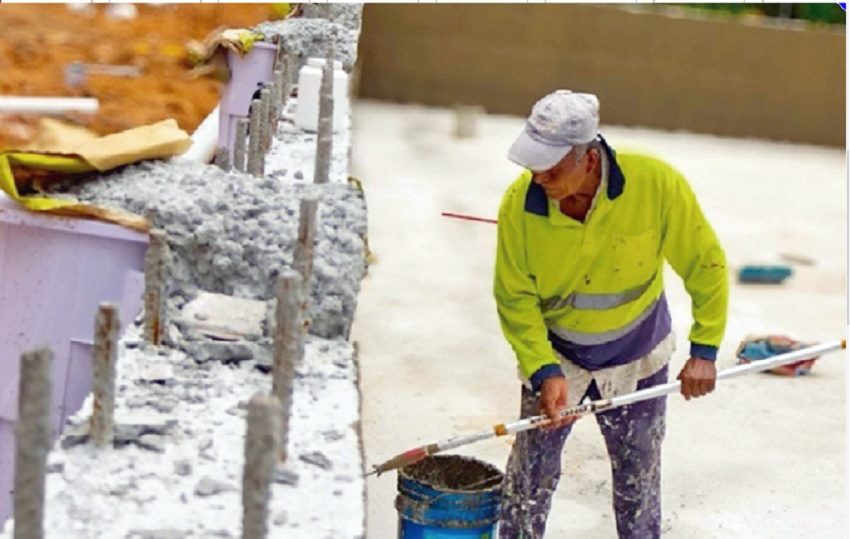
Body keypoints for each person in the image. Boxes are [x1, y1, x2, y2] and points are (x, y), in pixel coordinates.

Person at [493, 89, 728, 538]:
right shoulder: (520, 207)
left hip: (638, 357)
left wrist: (705, 349)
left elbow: (706, 264)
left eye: (552, 166)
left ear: (588, 156)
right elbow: (514, 296)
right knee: (528, 482)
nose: (539, 176)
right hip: (555, 357)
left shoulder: (656, 185)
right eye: (532, 163)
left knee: (638, 483)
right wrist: (543, 371)